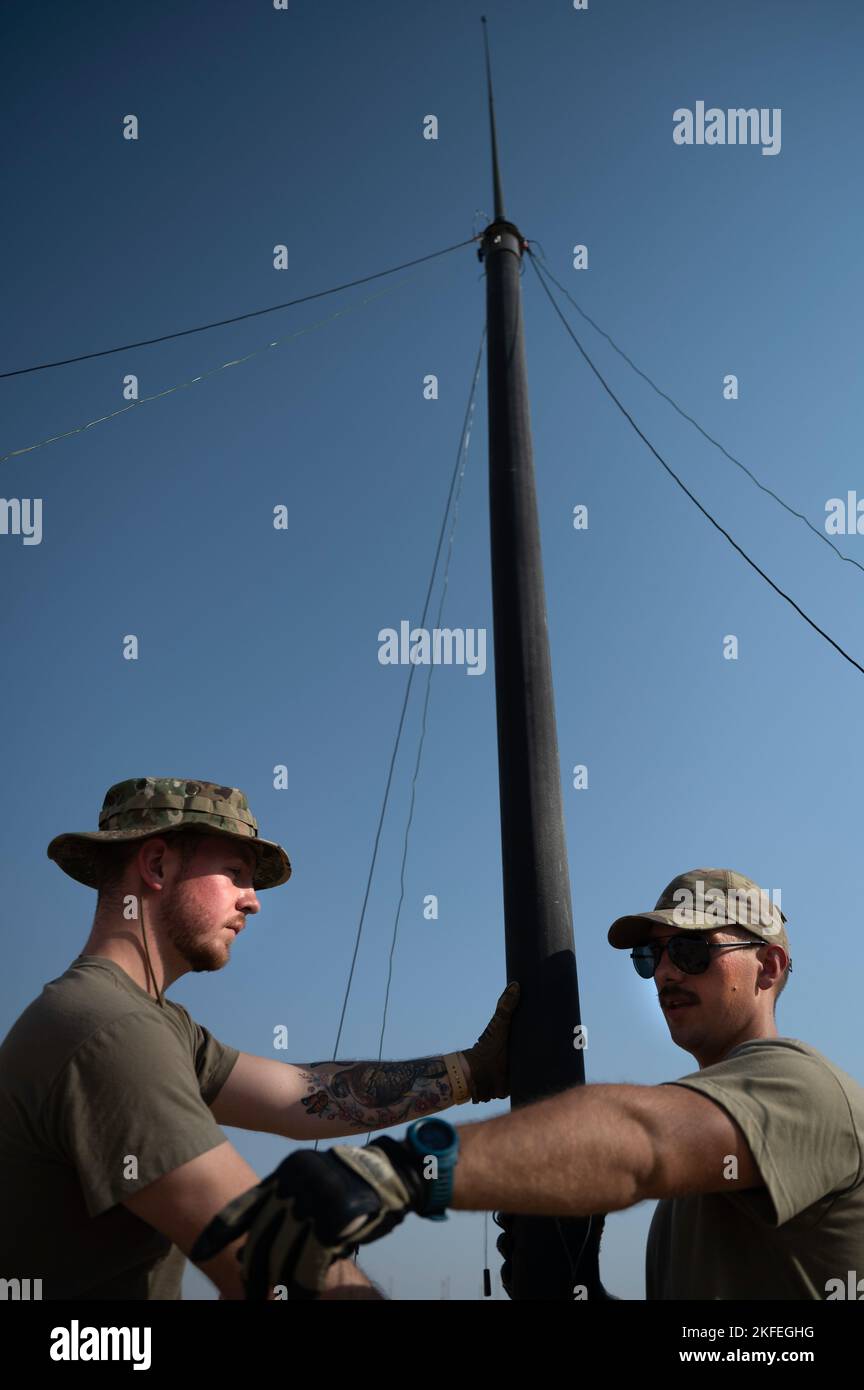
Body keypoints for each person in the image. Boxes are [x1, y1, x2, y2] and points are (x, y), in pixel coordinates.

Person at [193, 867, 864, 1301]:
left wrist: (406, 1167)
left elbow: (642, 1138)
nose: (664, 974)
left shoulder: (802, 1088)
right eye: (649, 955)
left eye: (691, 952)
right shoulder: (714, 1164)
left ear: (769, 968)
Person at [0, 776, 519, 1300]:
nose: (253, 903)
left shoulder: (148, 1021)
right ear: (156, 866)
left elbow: (301, 1095)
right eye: (235, 873)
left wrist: (471, 1071)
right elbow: (271, 1261)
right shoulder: (112, 1031)